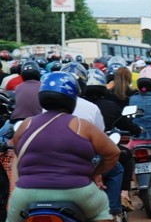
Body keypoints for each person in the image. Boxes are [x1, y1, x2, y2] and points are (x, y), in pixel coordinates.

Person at [7, 71, 120, 222]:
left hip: (26, 193)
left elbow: (17, 149)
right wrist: (95, 172)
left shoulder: (26, 124)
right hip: (77, 191)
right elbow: (113, 153)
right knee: (101, 210)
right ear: (72, 98)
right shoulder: (82, 126)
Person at [85, 69, 141, 214]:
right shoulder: (108, 105)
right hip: (97, 152)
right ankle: (118, 203)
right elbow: (125, 124)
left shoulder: (75, 106)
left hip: (76, 156)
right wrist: (137, 129)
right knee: (121, 163)